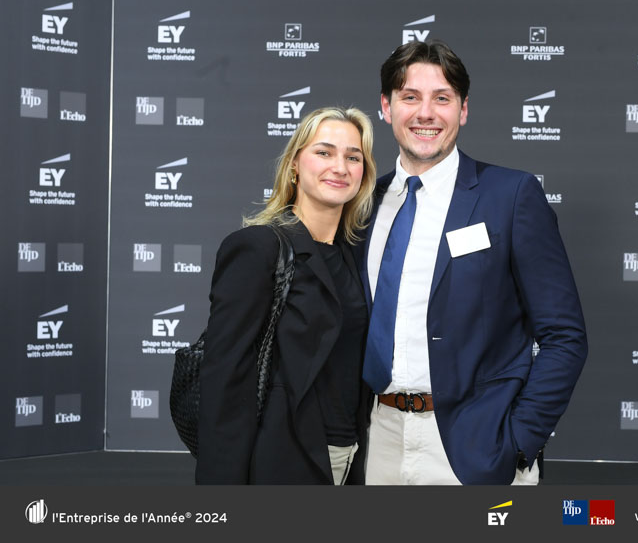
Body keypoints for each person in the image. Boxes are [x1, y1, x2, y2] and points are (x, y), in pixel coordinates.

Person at [359, 41, 588, 485]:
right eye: (410, 97)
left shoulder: (511, 195)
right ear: (386, 107)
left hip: (478, 446)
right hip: (377, 438)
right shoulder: (364, 203)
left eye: (442, 98)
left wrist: (518, 441)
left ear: (463, 110)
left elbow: (565, 336)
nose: (426, 113)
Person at [196, 106, 377, 484]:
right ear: (295, 164)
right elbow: (223, 380)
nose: (340, 167)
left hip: (351, 455)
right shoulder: (259, 248)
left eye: (353, 157)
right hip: (282, 459)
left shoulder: (357, 255)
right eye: (324, 152)